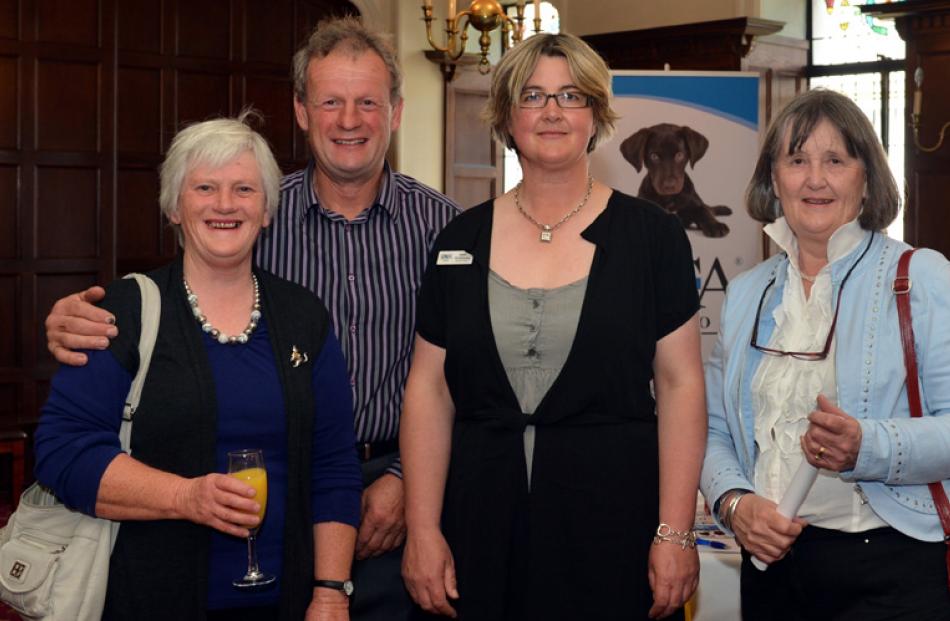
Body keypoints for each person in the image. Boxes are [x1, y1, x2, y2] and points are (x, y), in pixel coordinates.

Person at [43, 17, 460, 621]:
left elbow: (468, 369)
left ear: (395, 112)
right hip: (260, 504)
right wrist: (66, 319)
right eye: (331, 102)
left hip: (405, 482)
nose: (349, 120)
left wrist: (405, 483)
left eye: (367, 102)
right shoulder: (258, 208)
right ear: (300, 110)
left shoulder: (445, 228)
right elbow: (80, 424)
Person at [400, 33, 707, 620]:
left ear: (595, 115)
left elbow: (680, 387)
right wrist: (421, 530)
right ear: (506, 117)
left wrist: (675, 532)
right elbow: (429, 391)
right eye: (532, 95)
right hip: (474, 525)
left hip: (614, 522)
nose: (551, 111)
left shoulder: (653, 237)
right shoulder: (459, 240)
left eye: (570, 96)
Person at [34, 112, 362, 621]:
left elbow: (334, 465)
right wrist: (186, 497)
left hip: (291, 601)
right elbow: (62, 453)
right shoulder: (124, 311)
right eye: (204, 187)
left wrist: (329, 590)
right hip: (151, 597)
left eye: (244, 189)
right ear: (174, 208)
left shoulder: (304, 316)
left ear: (268, 209)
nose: (225, 205)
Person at [701, 88, 950, 620]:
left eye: (835, 160)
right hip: (771, 572)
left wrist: (868, 445)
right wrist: (735, 503)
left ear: (867, 178)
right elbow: (713, 429)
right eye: (797, 161)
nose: (815, 179)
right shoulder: (747, 292)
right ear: (774, 179)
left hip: (891, 572)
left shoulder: (922, 277)